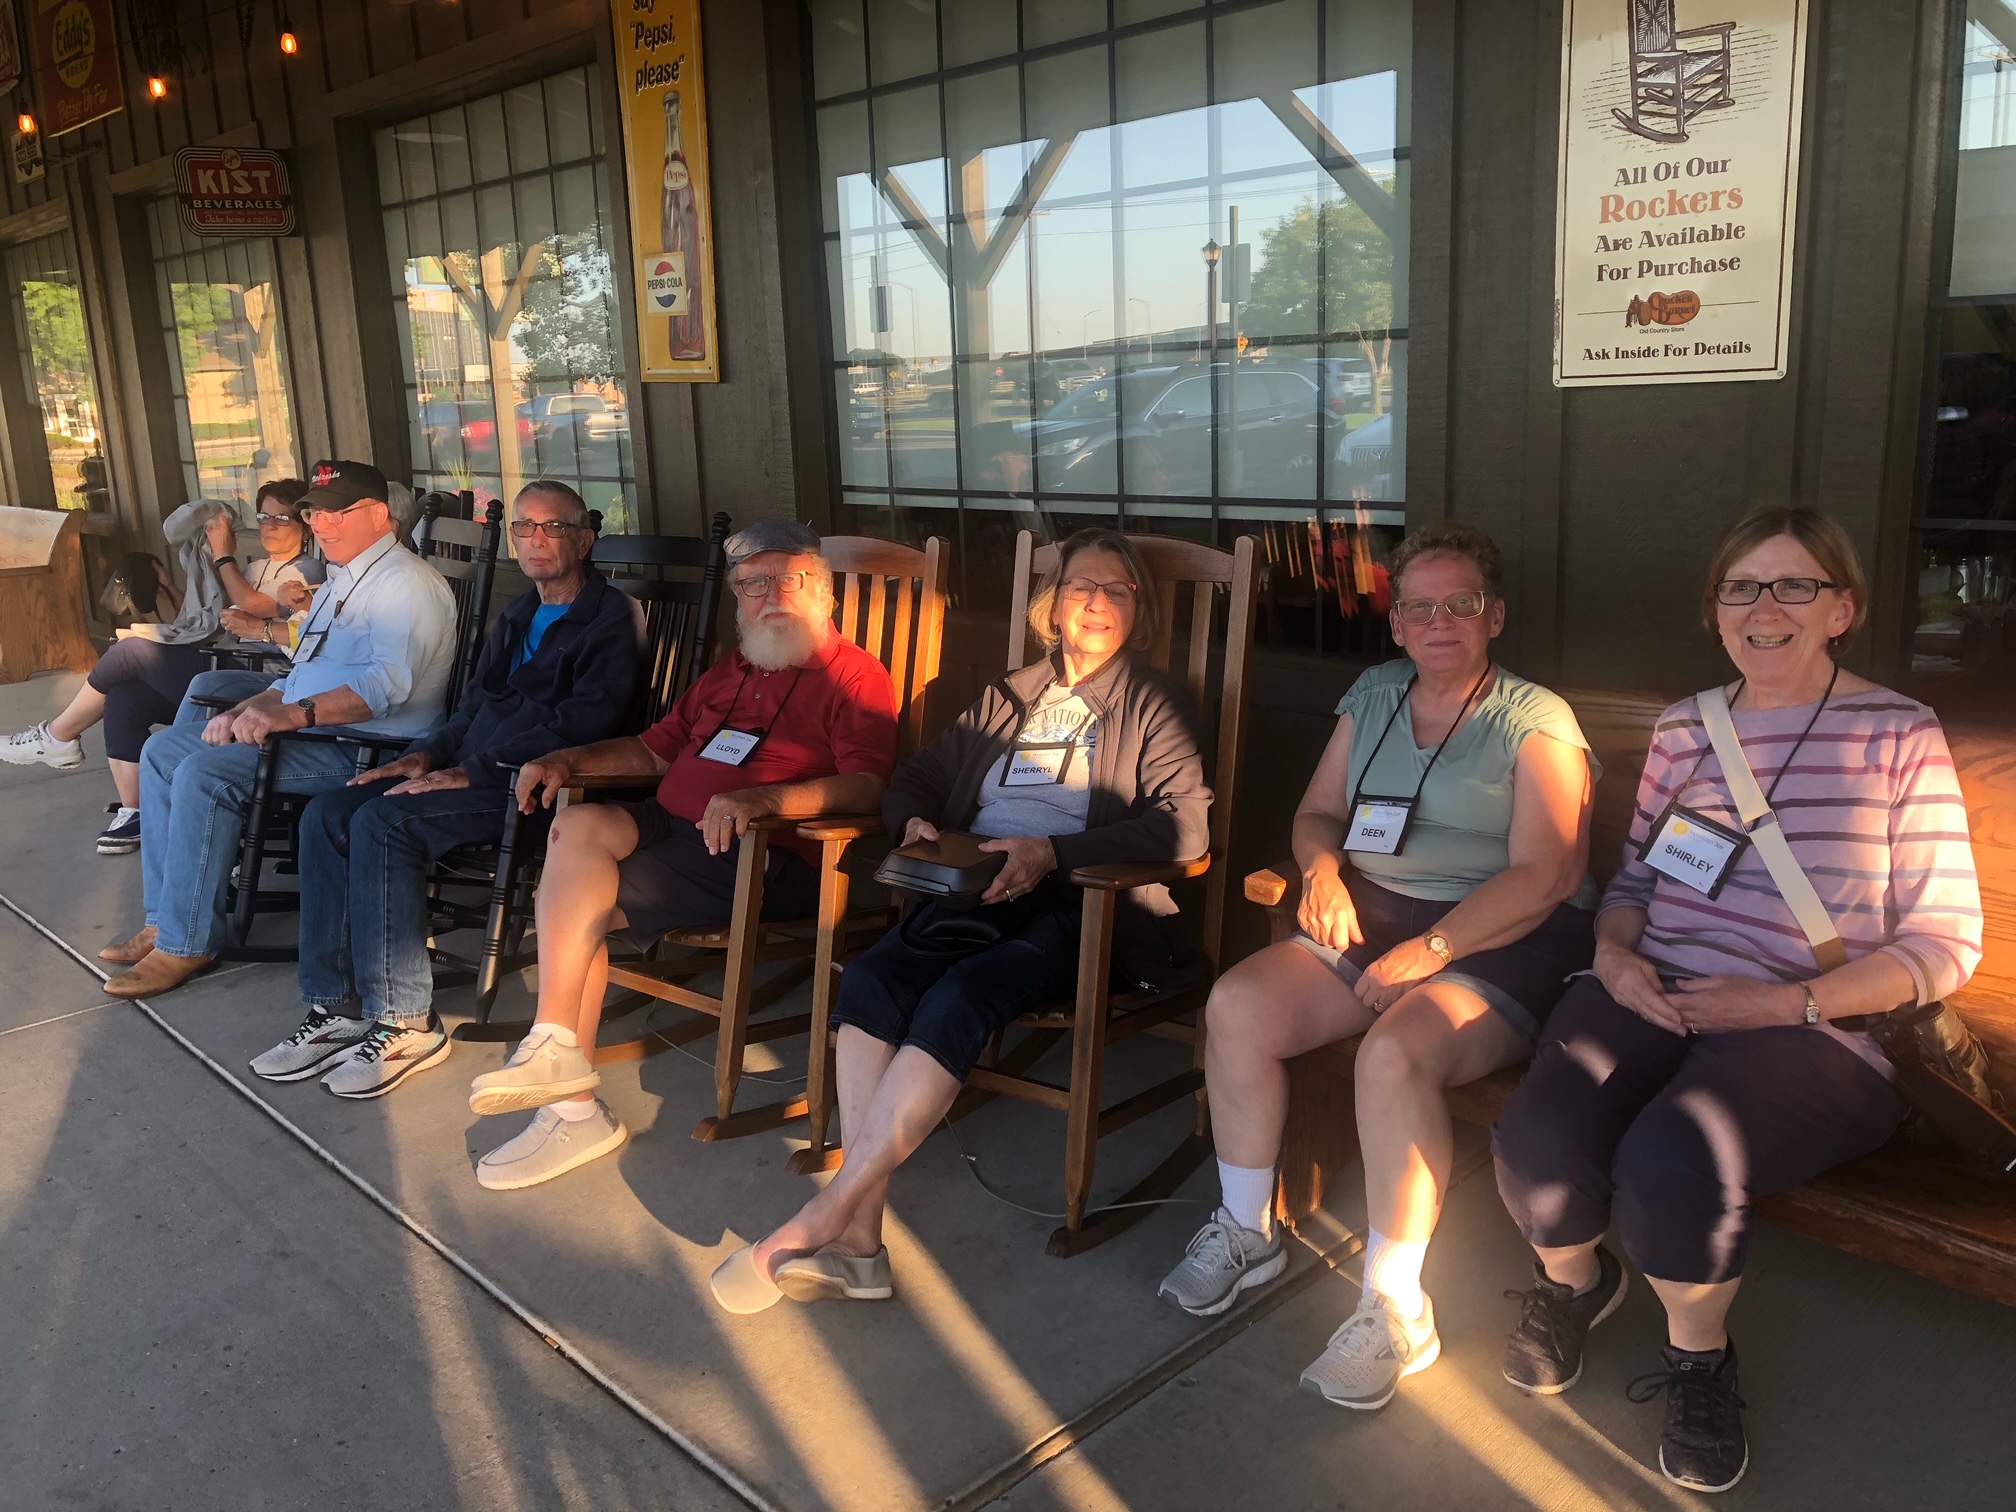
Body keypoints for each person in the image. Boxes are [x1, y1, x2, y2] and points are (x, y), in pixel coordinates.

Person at [1491, 508, 1982, 1494]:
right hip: (1652, 983)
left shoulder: (1897, 733)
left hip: (1816, 1023)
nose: (1765, 609)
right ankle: (1575, 1284)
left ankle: (1698, 1356)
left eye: (1795, 585)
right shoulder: (1687, 726)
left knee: (1673, 1158)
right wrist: (1614, 956)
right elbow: (1638, 878)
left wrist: (1786, 1004)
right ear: (1715, 610)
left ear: (1842, 609)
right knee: (1539, 1135)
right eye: (1741, 587)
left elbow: (1944, 942)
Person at [1155, 521, 1599, 1414]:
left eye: (1462, 603)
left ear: (1495, 615)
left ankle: (1394, 1307)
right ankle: (1247, 1229)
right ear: (1395, 624)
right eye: (1419, 607)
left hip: (1502, 932)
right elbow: (1317, 815)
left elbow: (1548, 874)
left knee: (1393, 1055)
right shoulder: (1376, 693)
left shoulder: (1535, 718)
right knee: (1238, 1006)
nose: (1440, 622)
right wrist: (1321, 872)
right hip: (1373, 911)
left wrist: (1432, 951)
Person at [708, 528, 1210, 1315]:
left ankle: (828, 1216)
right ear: (1053, 605)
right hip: (970, 888)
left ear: (1136, 609)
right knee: (871, 983)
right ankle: (858, 1242)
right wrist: (912, 821)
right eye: (1082, 586)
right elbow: (919, 775)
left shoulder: (1153, 703)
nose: (1098, 602)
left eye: (1118, 589)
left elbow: (1185, 826)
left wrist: (1052, 852)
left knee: (959, 996)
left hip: (1077, 902)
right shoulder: (1011, 693)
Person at [464, 520, 898, 1191]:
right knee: (575, 826)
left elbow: (868, 783)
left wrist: (768, 798)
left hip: (758, 854)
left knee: (579, 901)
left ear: (822, 590)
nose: (771, 596)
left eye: (789, 580)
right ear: (737, 599)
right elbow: (654, 750)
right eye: (752, 585)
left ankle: (571, 1107)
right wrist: (565, 759)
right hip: (672, 826)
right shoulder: (734, 669)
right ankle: (555, 1046)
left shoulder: (854, 676)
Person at [248, 482, 642, 1099]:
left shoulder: (610, 619)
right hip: (471, 768)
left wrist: (475, 770)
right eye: (524, 528)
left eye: (554, 528)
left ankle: (406, 1023)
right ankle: (336, 1007)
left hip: (533, 788)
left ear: (584, 539)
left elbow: (585, 725)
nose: (536, 540)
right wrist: (425, 755)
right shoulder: (518, 614)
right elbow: (472, 707)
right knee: (328, 813)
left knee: (383, 824)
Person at [97, 461, 458, 1000]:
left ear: (380, 515)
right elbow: (300, 671)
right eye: (314, 513)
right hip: (319, 731)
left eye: (339, 512)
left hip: (372, 747)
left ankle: (187, 942)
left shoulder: (405, 584)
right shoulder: (342, 578)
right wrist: (253, 706)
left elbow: (386, 686)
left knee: (204, 774)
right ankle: (165, 919)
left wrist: (292, 715)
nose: (322, 524)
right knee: (162, 750)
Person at [0, 479, 317, 854]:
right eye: (263, 516)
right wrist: (169, 585)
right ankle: (135, 812)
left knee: (131, 652)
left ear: (305, 526)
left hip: (259, 683)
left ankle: (56, 736)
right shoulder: (255, 569)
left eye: (282, 518)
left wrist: (222, 555)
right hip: (221, 664)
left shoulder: (307, 570)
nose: (269, 526)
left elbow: (254, 606)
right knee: (126, 696)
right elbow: (205, 621)